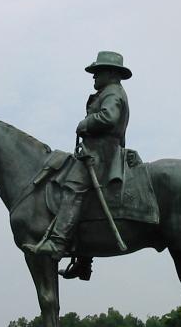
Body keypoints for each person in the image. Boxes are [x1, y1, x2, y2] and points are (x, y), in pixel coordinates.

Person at [24, 51, 132, 280]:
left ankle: (57, 242)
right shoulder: (106, 92)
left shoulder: (113, 92)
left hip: (103, 153)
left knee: (74, 185)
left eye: (97, 73)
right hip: (96, 150)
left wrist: (86, 123)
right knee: (87, 201)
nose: (93, 77)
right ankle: (83, 261)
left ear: (111, 73)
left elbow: (109, 118)